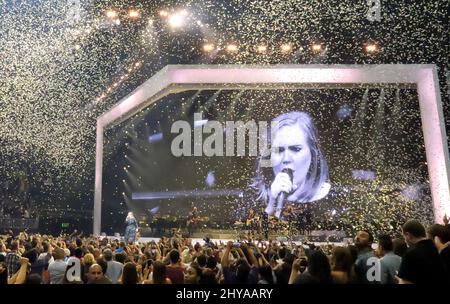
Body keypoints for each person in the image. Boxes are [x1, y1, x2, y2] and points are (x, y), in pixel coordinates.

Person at [252, 111, 330, 219]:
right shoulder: (253, 198)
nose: (286, 159)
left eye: (296, 149)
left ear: (313, 153)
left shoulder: (334, 200)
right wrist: (272, 204)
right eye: (279, 150)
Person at [397, 220, 448, 284]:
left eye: (404, 237)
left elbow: (405, 282)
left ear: (408, 235)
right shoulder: (435, 248)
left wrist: (400, 279)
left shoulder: (410, 253)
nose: (405, 240)